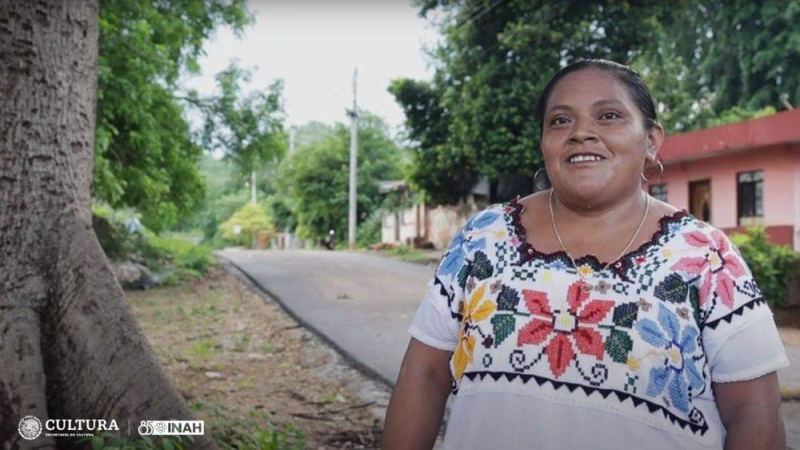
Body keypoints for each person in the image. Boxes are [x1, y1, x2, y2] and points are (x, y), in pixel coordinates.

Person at [382, 59, 789, 450]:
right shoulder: (481, 238)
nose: (581, 132)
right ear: (543, 142)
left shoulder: (706, 257)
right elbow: (427, 373)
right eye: (560, 120)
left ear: (651, 140)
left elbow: (754, 413)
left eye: (608, 115)